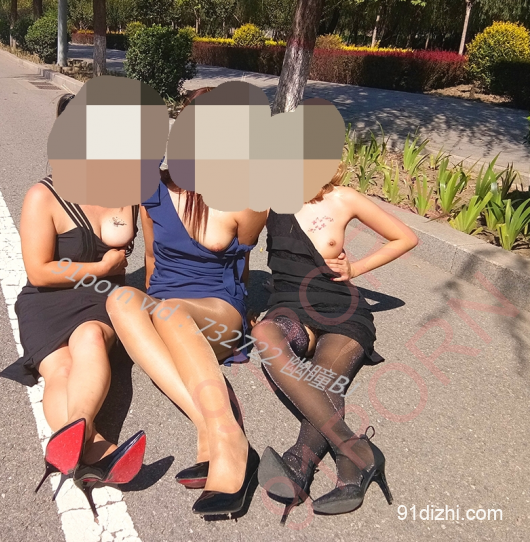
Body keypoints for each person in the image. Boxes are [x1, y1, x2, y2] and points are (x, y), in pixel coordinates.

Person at [106, 88, 267, 518]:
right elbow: (152, 260)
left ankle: (228, 441)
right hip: (166, 308)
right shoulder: (153, 189)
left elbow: (241, 266)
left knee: (171, 310)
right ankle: (212, 422)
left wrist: (246, 317)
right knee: (121, 298)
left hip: (217, 312)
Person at [0, 94, 146, 518]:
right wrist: (100, 266)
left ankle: (71, 439)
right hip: (47, 300)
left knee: (91, 341)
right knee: (59, 370)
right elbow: (39, 271)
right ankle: (90, 444)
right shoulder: (43, 196)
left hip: (99, 299)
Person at [252, 162, 418, 520]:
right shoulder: (269, 200)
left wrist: (356, 269)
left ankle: (299, 462)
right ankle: (354, 451)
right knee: (264, 333)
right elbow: (234, 238)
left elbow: (405, 237)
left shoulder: (344, 198)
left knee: (323, 379)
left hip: (343, 311)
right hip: (290, 308)